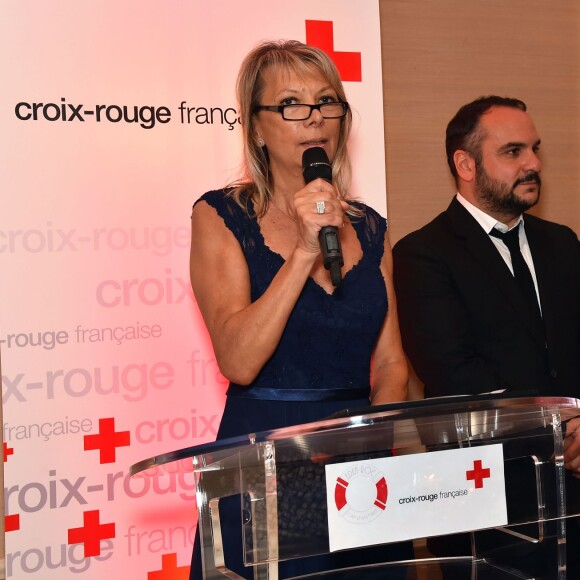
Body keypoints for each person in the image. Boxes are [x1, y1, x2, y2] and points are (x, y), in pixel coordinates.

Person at [188, 40, 412, 579]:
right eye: (291, 104)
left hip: (360, 465)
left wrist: (367, 439)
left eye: (327, 101)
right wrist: (306, 249)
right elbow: (238, 360)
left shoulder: (371, 225)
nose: (315, 119)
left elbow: (391, 364)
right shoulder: (221, 216)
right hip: (265, 456)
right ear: (256, 126)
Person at [392, 95, 580, 577]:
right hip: (489, 511)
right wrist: (564, 434)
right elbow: (457, 379)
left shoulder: (562, 242)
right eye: (513, 152)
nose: (534, 163)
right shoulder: (422, 255)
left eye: (535, 149)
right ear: (465, 164)